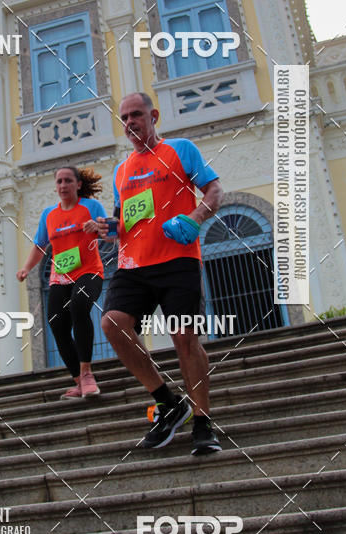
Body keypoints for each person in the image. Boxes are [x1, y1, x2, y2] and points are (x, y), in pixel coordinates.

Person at [101, 92, 224, 454]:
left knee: (184, 337)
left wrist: (196, 217)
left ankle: (202, 422)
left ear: (153, 115)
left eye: (136, 114)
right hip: (133, 265)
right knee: (111, 323)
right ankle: (169, 402)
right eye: (124, 118)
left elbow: (214, 190)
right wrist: (104, 227)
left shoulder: (180, 150)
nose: (130, 123)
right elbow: (123, 221)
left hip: (178, 259)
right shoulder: (121, 171)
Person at [17, 167, 109, 399]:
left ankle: (87, 373)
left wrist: (98, 227)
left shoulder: (90, 207)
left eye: (68, 180)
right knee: (56, 323)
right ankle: (79, 381)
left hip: (89, 272)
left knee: (79, 306)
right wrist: (26, 268)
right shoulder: (49, 215)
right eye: (59, 181)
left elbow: (111, 233)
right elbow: (40, 245)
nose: (63, 185)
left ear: (78, 185)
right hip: (61, 276)